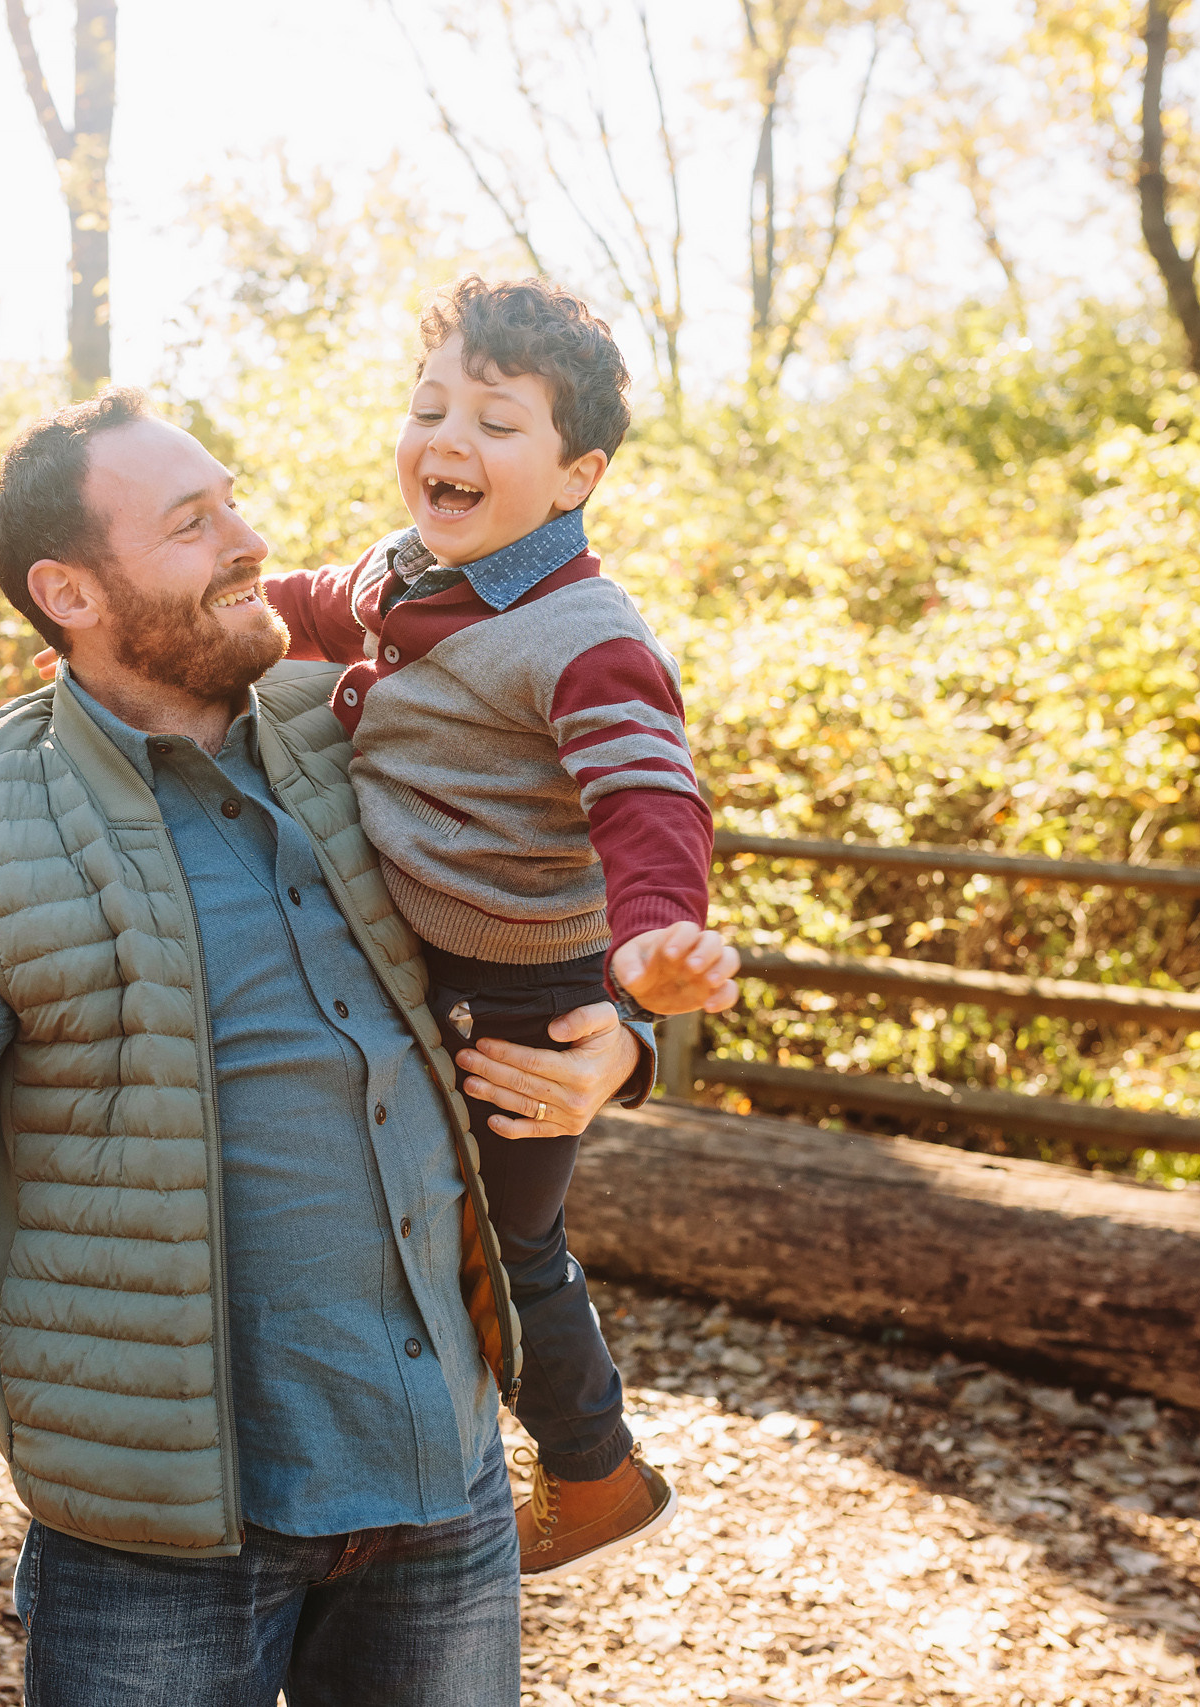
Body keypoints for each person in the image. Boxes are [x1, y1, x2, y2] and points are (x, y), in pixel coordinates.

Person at [0, 388, 658, 1707]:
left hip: (442, 1505)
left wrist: (628, 1041)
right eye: (191, 523)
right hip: (153, 1560)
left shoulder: (364, 724)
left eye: (234, 499)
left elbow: (585, 864)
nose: (249, 537)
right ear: (74, 593)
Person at [260, 276, 739, 1579]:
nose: (447, 440)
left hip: (527, 986)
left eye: (495, 421)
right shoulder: (403, 569)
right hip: (427, 959)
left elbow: (647, 794)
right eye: (430, 408)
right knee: (396, 1209)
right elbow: (305, 607)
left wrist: (653, 936)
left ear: (576, 472)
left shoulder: (583, 634)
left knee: (501, 1240)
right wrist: (179, 640)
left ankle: (594, 1472)